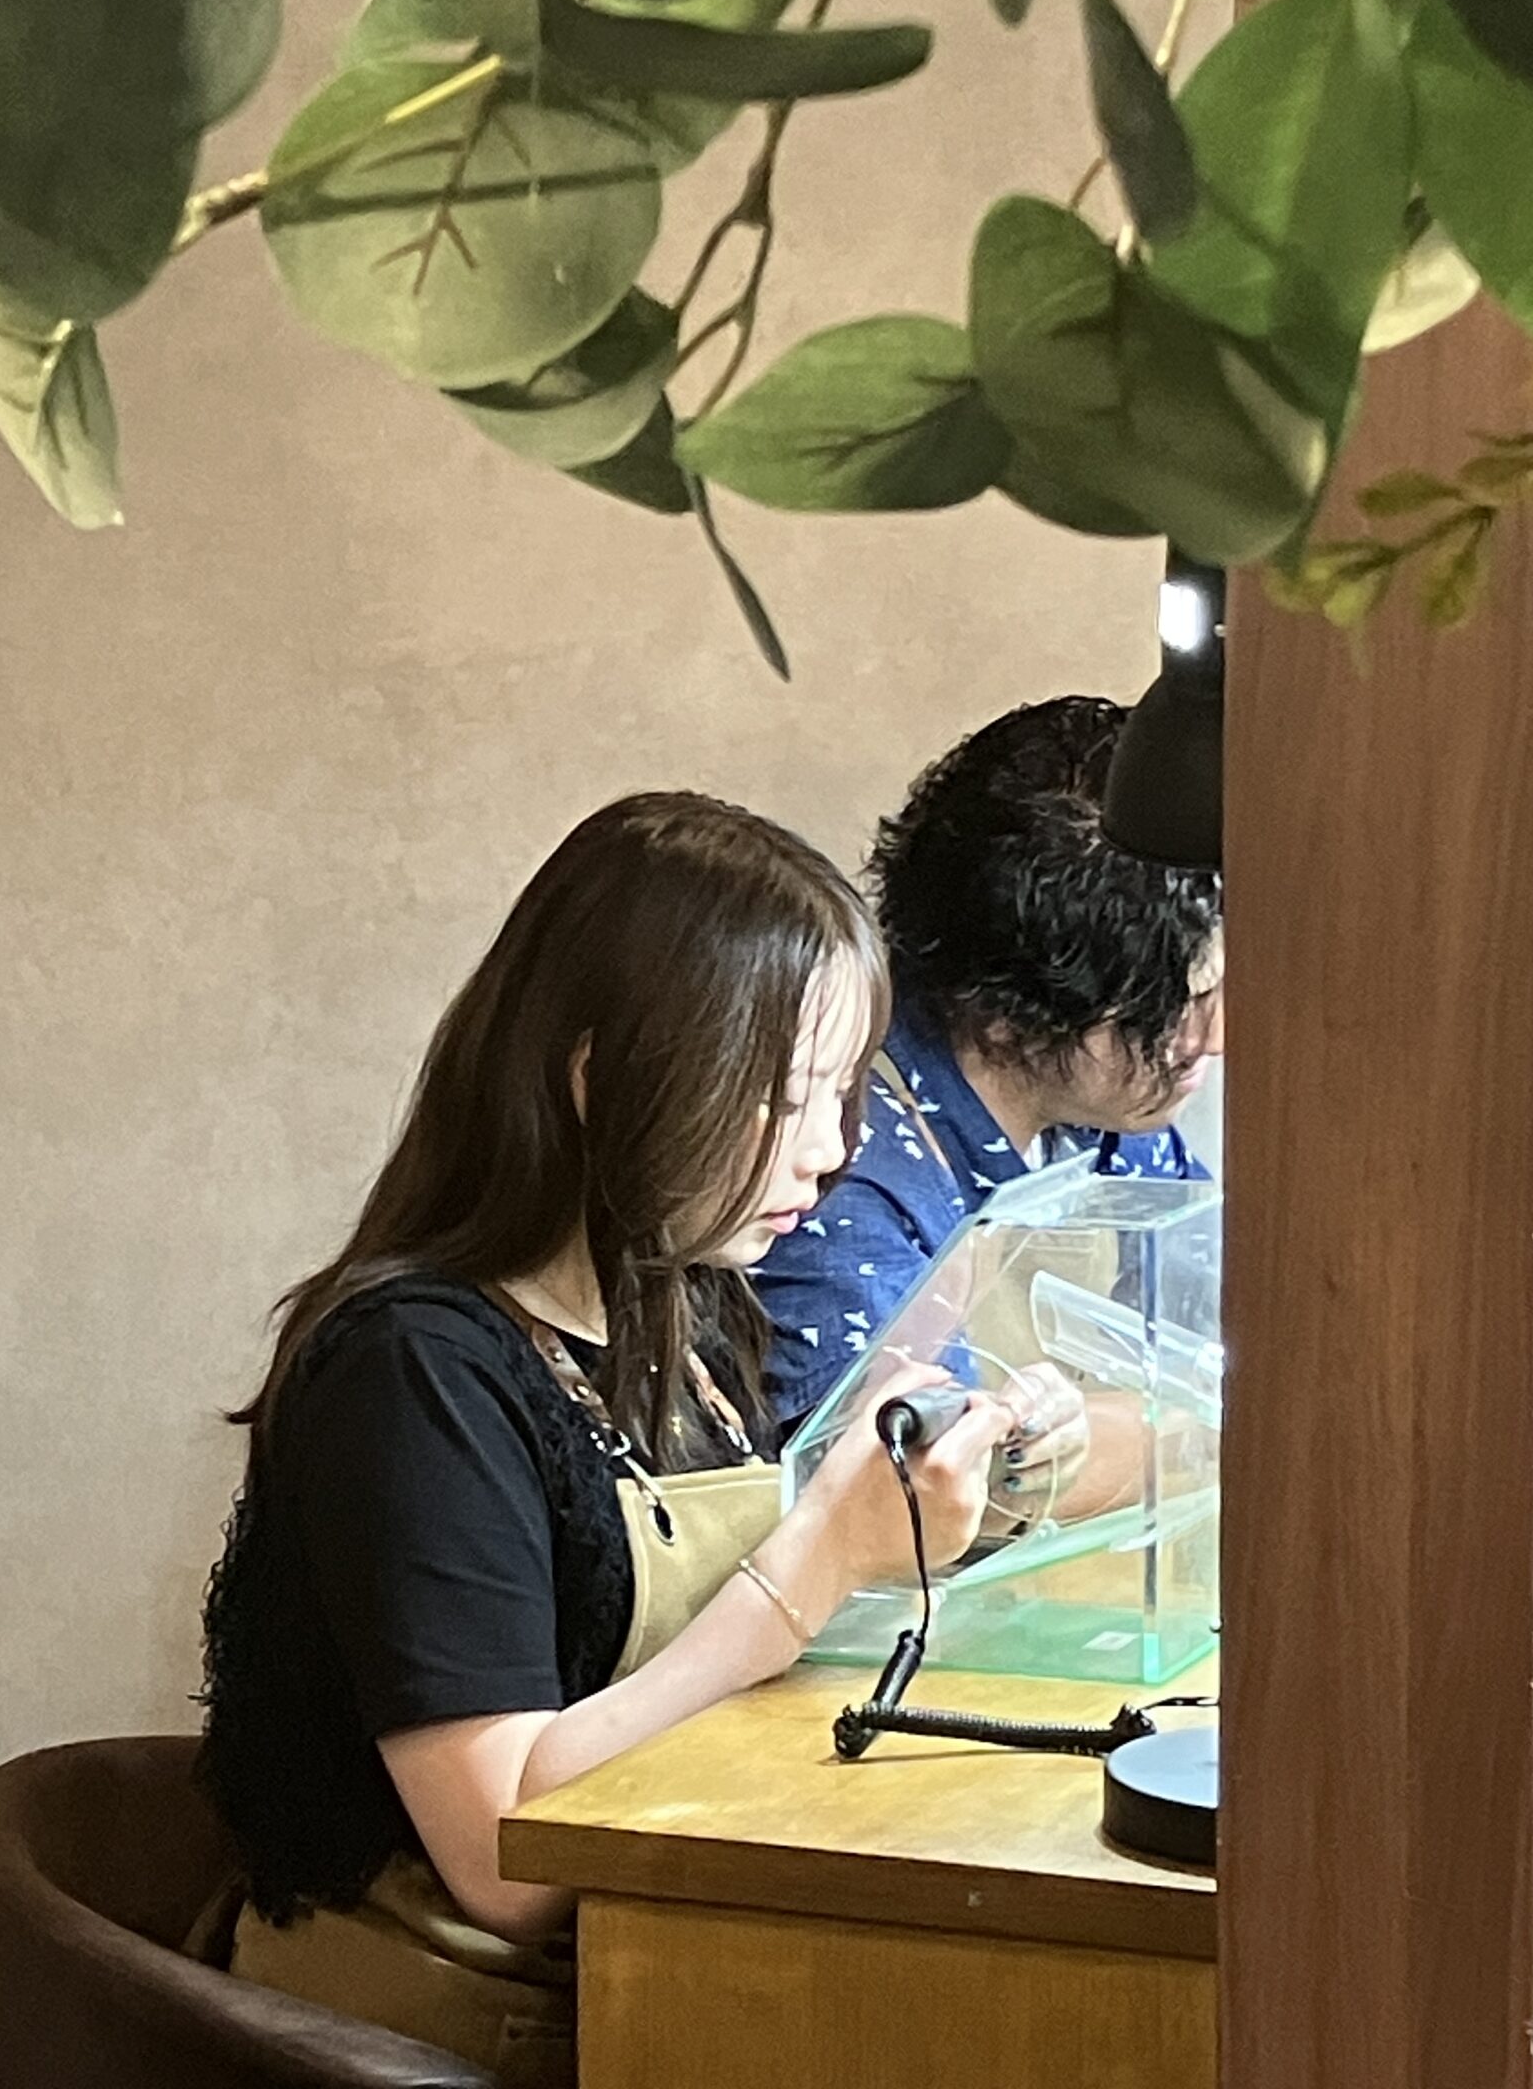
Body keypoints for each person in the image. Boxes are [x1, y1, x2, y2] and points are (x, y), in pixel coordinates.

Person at [195, 792, 1055, 2089]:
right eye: (782, 1099)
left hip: (651, 1955)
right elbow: (506, 1860)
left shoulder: (680, 1305)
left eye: (840, 1097)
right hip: (430, 2030)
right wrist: (818, 1559)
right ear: (600, 1077)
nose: (828, 1154)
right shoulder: (412, 1369)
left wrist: (950, 1482)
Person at [754, 699, 1225, 1433]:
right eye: (1180, 1006)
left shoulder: (1112, 1110)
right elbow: (909, 1474)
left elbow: (1219, 1328)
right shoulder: (843, 1180)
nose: (1216, 1036)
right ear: (1013, 1008)